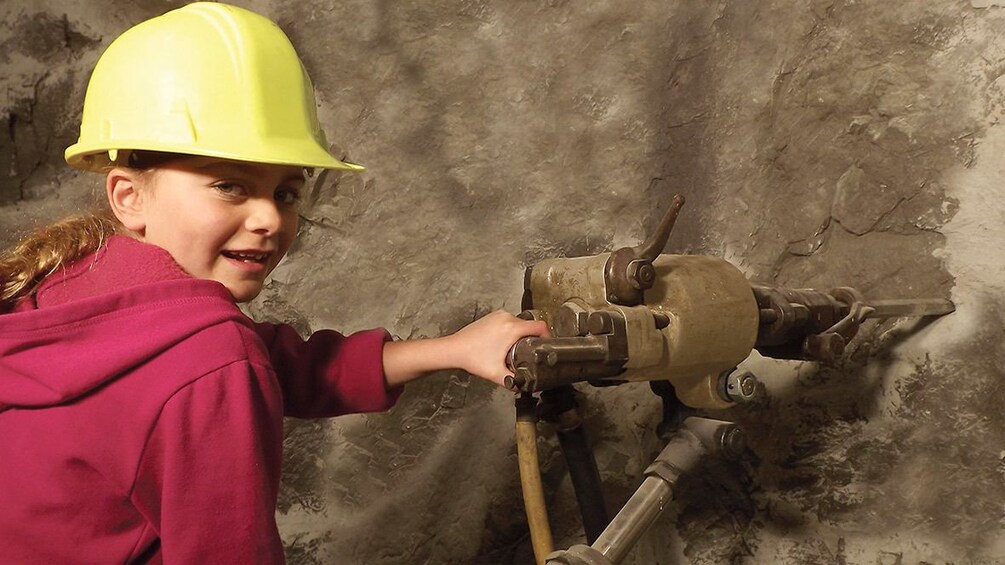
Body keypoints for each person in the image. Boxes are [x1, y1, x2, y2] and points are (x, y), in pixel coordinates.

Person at [0, 3, 549, 564]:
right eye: (230, 186)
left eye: (286, 192)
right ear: (129, 196)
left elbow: (277, 365)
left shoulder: (63, 289)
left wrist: (453, 349)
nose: (269, 219)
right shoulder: (210, 357)